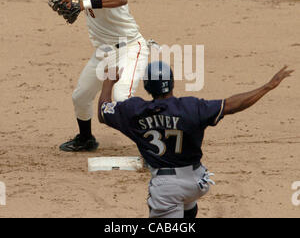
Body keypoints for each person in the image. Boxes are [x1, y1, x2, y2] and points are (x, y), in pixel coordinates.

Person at [97, 61, 294, 218]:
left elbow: (103, 112)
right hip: (197, 181)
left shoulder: (134, 111)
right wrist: (268, 86)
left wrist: (108, 82)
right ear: (172, 83)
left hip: (167, 188)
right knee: (187, 204)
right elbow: (232, 105)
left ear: (147, 87)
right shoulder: (191, 107)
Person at [59, 0, 149, 152]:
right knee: (80, 97)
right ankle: (86, 138)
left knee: (121, 98)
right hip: (105, 52)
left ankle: (152, 146)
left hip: (129, 49)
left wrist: (83, 4)